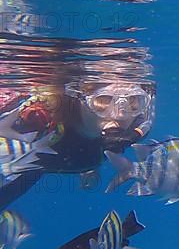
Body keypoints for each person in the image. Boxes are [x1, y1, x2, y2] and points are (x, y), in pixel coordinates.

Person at [0, 81, 155, 210]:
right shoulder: (37, 118)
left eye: (134, 101)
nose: (120, 114)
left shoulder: (133, 129)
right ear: (78, 98)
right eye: (103, 100)